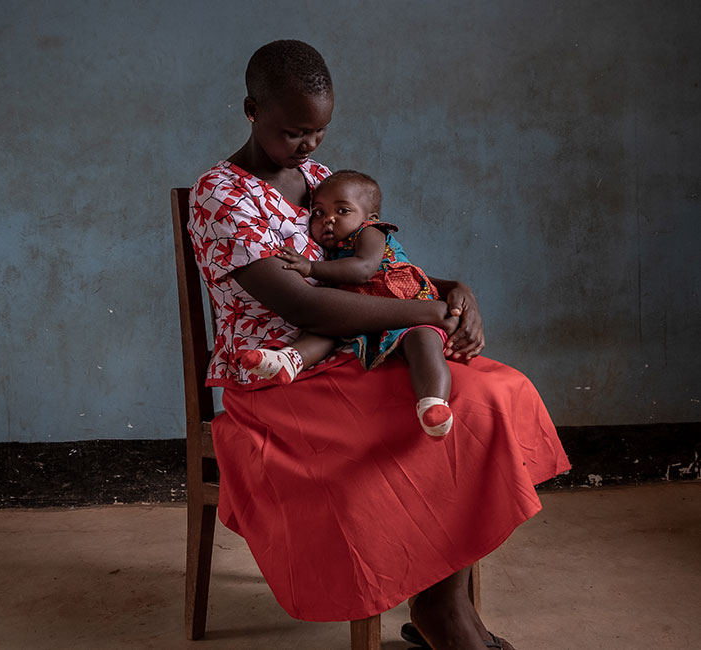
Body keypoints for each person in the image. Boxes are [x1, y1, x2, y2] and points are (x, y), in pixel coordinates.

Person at [188, 39, 569, 650]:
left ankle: (441, 604)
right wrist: (430, 314)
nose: (309, 147)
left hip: (359, 353)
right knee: (450, 416)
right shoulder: (221, 196)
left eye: (320, 131)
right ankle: (445, 616)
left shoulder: (320, 181)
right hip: (283, 376)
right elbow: (304, 304)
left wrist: (454, 291)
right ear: (251, 109)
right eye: (293, 132)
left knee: (492, 393)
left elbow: (378, 264)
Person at [239, 169, 456, 438]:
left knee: (424, 344)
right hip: (362, 315)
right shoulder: (334, 250)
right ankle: (289, 359)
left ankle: (433, 403)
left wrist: (310, 268)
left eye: (342, 211)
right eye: (318, 212)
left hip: (406, 309)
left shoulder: (370, 233)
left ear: (370, 217)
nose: (328, 219)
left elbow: (363, 270)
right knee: (325, 329)